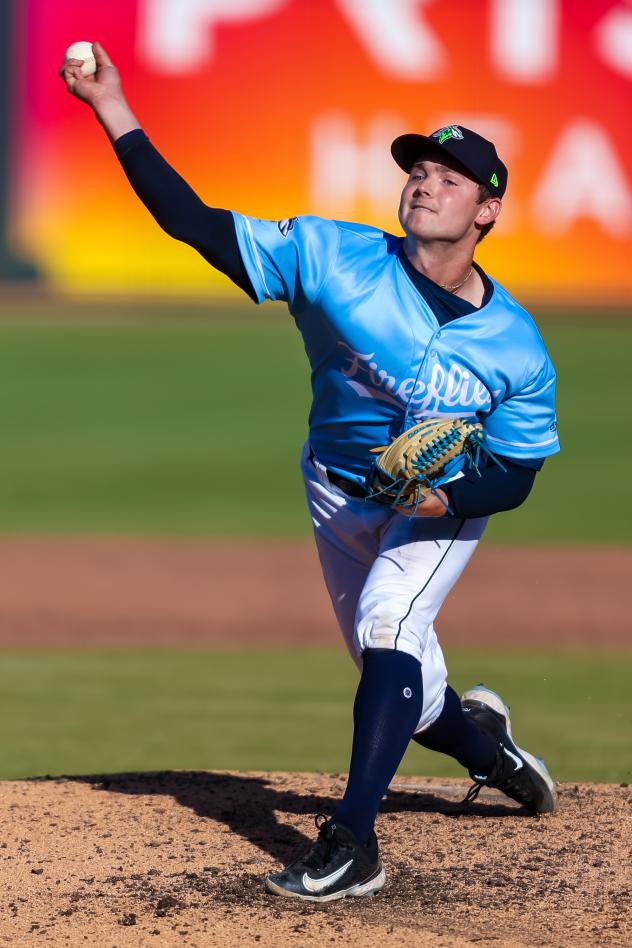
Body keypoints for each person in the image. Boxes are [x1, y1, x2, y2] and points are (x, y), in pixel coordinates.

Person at [60, 43, 560, 903]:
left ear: (488, 210)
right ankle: (492, 749)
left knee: (390, 631)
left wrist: (447, 496)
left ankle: (352, 844)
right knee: (404, 682)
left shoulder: (516, 347)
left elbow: (515, 472)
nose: (426, 183)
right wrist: (112, 108)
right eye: (419, 169)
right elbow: (196, 224)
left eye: (451, 176)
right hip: (334, 488)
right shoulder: (331, 259)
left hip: (435, 513)